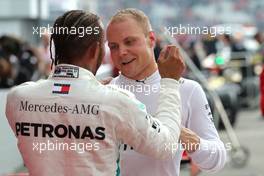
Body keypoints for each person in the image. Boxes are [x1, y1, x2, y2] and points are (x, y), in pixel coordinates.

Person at [5, 10, 186, 176]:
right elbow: (165, 146)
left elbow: (62, 107)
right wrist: (170, 82)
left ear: (56, 48)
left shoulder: (17, 98)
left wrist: (86, 91)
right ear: (95, 50)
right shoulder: (116, 102)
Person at [106, 8, 227, 176]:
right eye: (113, 46)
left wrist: (182, 134)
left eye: (130, 42)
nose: (122, 52)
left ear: (151, 39)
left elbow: (217, 160)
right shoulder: (103, 93)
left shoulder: (187, 89)